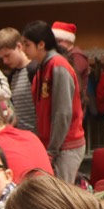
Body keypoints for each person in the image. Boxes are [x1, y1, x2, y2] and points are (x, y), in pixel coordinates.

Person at [21, 20, 86, 185]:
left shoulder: (58, 66)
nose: (23, 49)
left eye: (26, 44)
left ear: (41, 44)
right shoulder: (42, 66)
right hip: (53, 145)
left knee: (61, 198)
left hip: (65, 145)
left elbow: (63, 113)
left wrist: (52, 150)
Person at [0, 27, 39, 134]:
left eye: (7, 55)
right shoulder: (12, 76)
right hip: (23, 136)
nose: (4, 61)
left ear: (19, 46)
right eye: (2, 58)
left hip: (39, 138)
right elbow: (19, 113)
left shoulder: (35, 69)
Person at [51, 21, 90, 112]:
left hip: (75, 105)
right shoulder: (65, 55)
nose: (56, 45)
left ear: (68, 41)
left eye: (59, 41)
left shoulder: (77, 56)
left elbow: (70, 79)